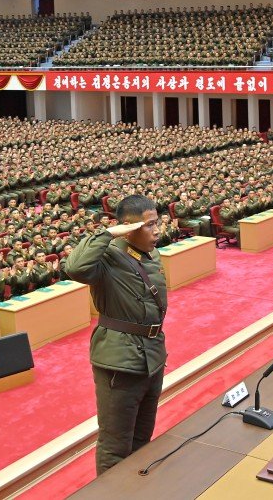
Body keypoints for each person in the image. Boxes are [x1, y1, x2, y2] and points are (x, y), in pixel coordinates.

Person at [65, 194, 167, 476]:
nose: (157, 231)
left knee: (142, 440)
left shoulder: (150, 253)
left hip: (152, 356)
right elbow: (74, 268)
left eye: (157, 223)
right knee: (115, 446)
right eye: (149, 225)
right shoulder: (107, 256)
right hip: (120, 362)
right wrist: (109, 233)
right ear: (128, 227)